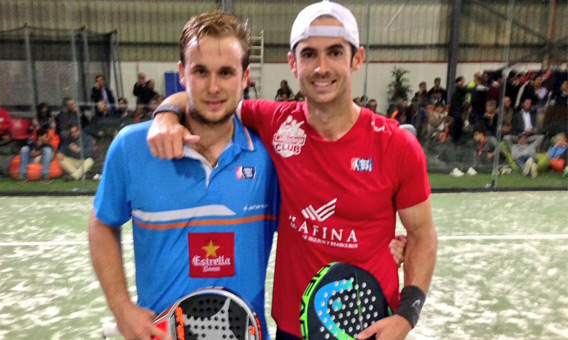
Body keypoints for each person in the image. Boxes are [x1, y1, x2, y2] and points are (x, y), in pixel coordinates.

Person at [148, 2, 437, 340]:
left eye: (334, 53)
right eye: (309, 54)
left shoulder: (396, 145)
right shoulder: (277, 121)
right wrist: (166, 113)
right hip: (292, 328)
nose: (322, 67)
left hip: (369, 325)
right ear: (292, 62)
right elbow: (210, 98)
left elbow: (422, 235)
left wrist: (406, 315)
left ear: (357, 59)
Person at [89, 12, 281, 340]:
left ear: (245, 77)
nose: (213, 87)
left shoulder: (271, 156)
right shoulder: (132, 147)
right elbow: (102, 223)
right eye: (200, 71)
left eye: (226, 72)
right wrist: (121, 307)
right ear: (182, 73)